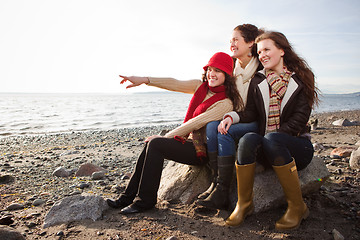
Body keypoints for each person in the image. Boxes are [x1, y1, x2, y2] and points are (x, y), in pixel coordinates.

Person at [106, 52, 242, 214]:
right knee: (151, 144)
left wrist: (165, 137)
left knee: (156, 143)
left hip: (202, 150)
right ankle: (127, 197)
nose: (212, 74)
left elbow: (195, 123)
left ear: (227, 75)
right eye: (210, 69)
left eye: (218, 71)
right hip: (189, 143)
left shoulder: (225, 103)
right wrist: (144, 80)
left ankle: (145, 202)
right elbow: (174, 83)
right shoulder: (200, 86)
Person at [221, 31, 319, 230]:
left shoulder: (301, 79)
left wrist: (270, 140)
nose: (262, 54)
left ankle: (297, 207)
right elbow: (250, 113)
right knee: (248, 139)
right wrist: (232, 117)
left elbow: (299, 121)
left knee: (273, 138)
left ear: (281, 51)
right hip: (269, 145)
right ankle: (244, 204)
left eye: (267, 49)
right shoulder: (259, 81)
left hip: (297, 147)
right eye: (259, 51)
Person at [197, 24, 264, 210]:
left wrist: (231, 117)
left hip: (253, 121)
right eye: (230, 41)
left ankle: (223, 191)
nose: (232, 44)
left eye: (236, 40)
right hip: (234, 116)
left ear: (251, 43)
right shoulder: (232, 69)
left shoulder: (260, 71)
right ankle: (215, 182)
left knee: (225, 131)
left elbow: (255, 111)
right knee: (211, 126)